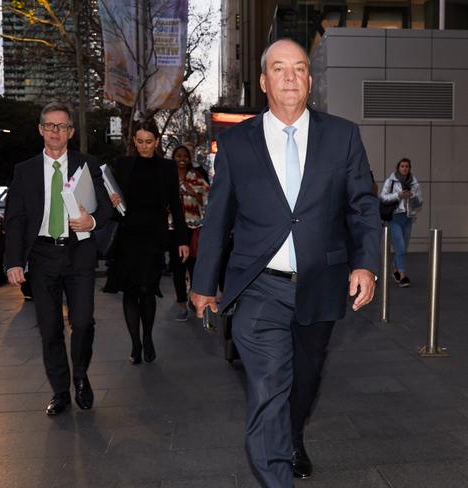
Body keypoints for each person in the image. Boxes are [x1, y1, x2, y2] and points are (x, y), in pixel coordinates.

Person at [190, 39, 381, 486]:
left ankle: (293, 433)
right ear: (263, 81)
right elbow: (217, 219)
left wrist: (366, 263)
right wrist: (203, 284)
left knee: (305, 382)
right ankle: (277, 476)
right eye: (279, 68)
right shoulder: (236, 143)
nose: (290, 76)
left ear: (310, 80)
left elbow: (362, 206)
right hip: (259, 288)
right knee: (266, 387)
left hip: (322, 282)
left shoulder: (343, 135)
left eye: (299, 68)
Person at [4, 101, 112, 416]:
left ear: (70, 132)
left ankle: (80, 373)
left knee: (82, 321)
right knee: (49, 328)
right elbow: (15, 219)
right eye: (50, 125)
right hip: (41, 256)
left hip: (78, 253)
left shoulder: (88, 164)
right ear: (40, 129)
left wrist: (90, 222)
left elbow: (106, 207)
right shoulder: (24, 171)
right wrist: (13, 261)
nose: (55, 131)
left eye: (62, 126)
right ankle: (61, 391)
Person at [105, 119, 189, 364]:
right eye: (140, 141)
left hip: (154, 237)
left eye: (149, 142)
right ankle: (135, 343)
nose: (144, 146)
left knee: (147, 289)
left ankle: (149, 337)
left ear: (157, 141)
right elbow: (112, 201)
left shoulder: (166, 168)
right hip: (128, 236)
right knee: (130, 291)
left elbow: (176, 205)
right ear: (134, 141)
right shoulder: (122, 165)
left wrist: (182, 240)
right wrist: (112, 201)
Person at [168, 145, 210, 321]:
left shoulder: (196, 177)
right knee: (177, 268)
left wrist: (193, 193)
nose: (182, 158)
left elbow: (209, 199)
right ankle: (181, 305)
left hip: (193, 228)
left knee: (193, 267)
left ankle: (193, 298)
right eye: (178, 155)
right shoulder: (168, 177)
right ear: (174, 157)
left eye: (185, 155)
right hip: (173, 229)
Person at [380, 158, 423, 288]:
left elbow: (420, 202)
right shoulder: (390, 181)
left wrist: (412, 196)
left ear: (409, 168)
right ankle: (403, 275)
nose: (404, 168)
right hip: (394, 218)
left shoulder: (414, 183)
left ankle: (395, 270)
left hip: (408, 218)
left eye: (407, 166)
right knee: (400, 247)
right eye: (402, 166)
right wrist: (398, 195)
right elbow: (383, 197)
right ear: (398, 168)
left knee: (403, 248)